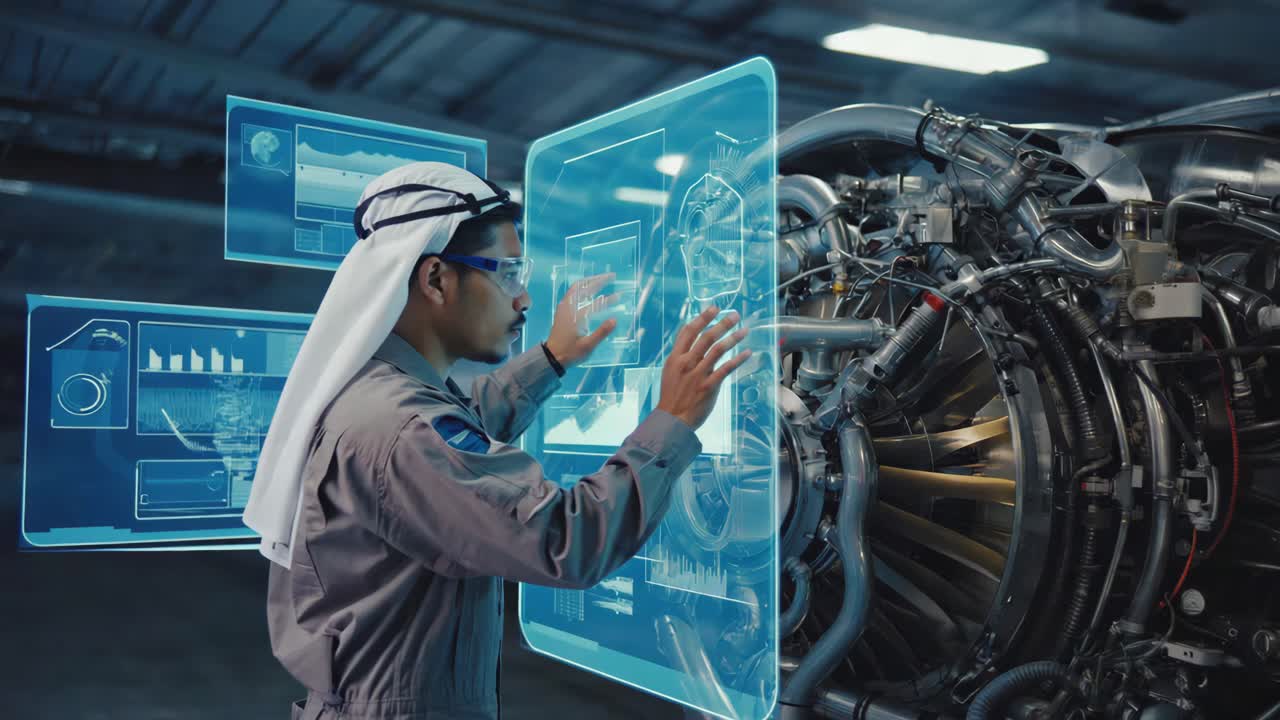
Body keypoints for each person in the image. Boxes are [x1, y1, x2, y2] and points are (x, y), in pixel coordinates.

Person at [246, 161, 751, 720]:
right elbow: (564, 542)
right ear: (436, 279)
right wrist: (673, 420)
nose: (525, 300)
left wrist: (553, 358)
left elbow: (461, 429)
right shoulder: (399, 426)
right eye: (506, 273)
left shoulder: (383, 395)